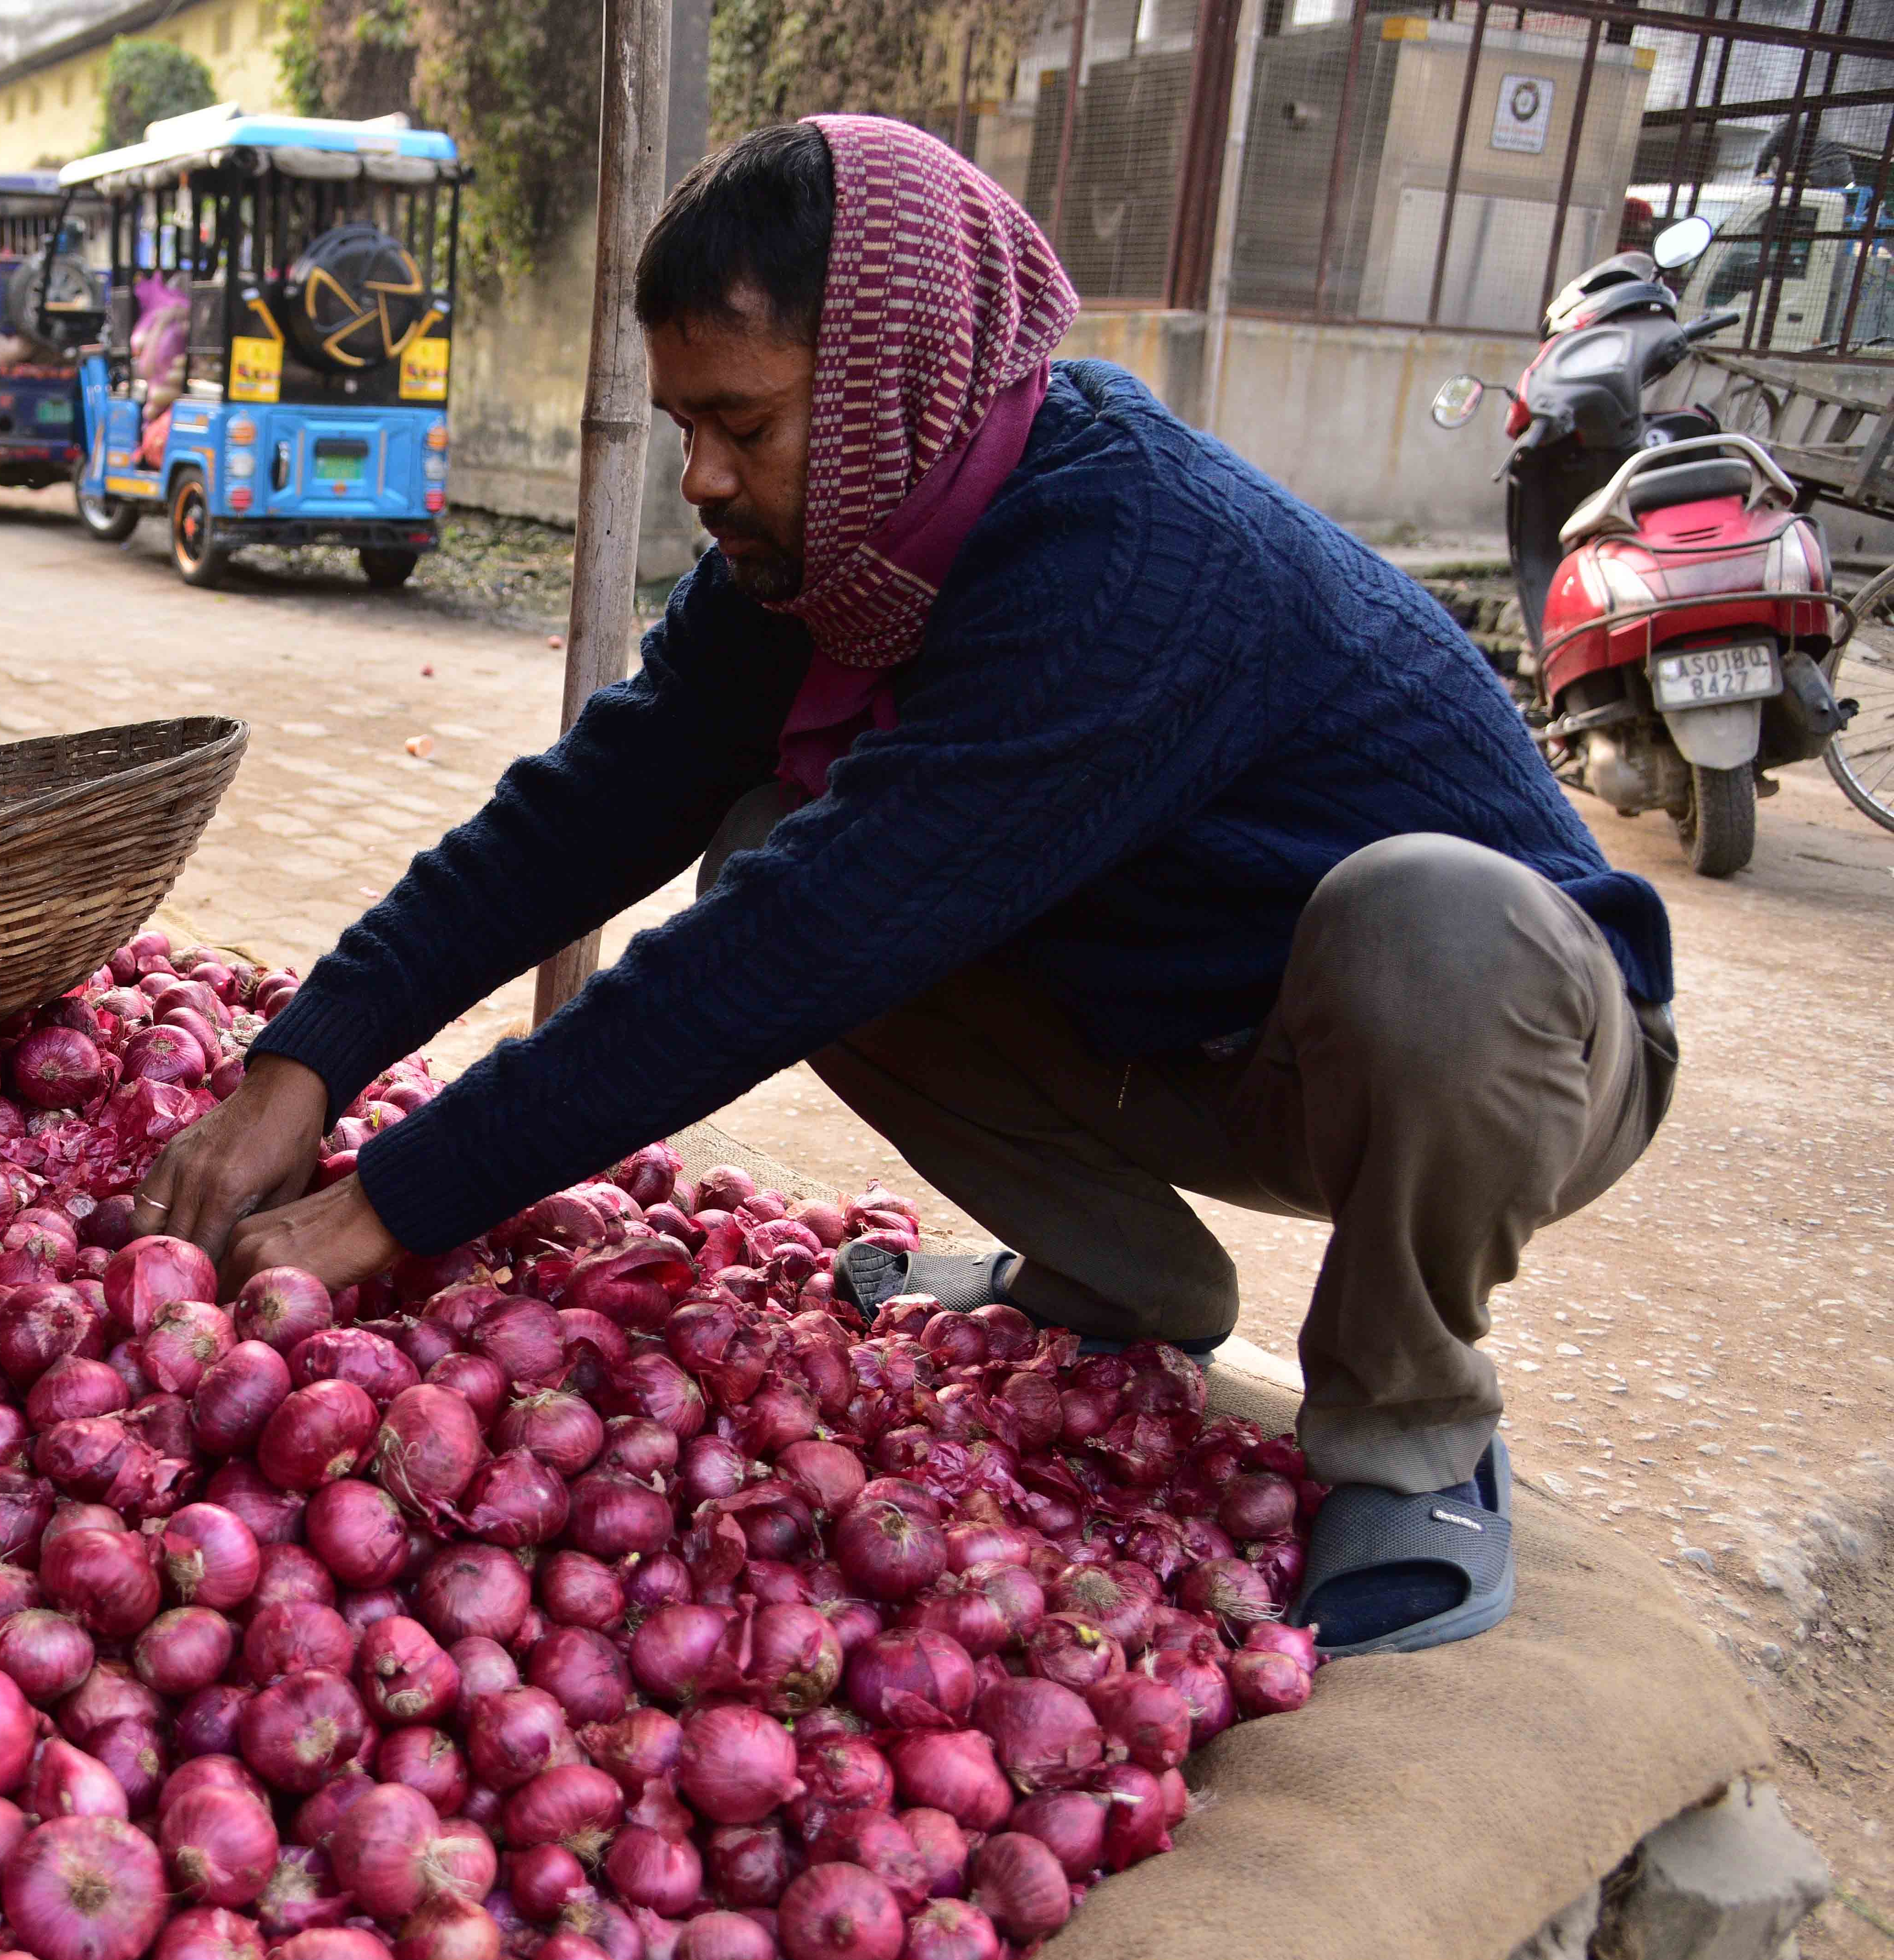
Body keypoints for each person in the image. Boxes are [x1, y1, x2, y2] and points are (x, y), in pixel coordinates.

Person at [132, 117, 1679, 1664]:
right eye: (685, 426)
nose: (705, 479)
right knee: (760, 840)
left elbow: (790, 952)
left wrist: (390, 1205)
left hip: (1502, 1047)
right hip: (1180, 1039)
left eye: (744, 423)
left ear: (892, 390)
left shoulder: (1129, 561)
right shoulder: (822, 559)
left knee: (1424, 920)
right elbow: (585, 814)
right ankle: (1126, 1280)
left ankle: (1412, 1429)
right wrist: (308, 1061)